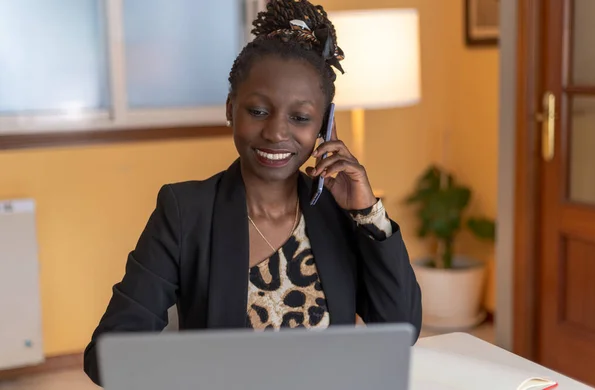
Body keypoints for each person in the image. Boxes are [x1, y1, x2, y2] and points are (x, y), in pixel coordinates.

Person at [83, 0, 422, 385]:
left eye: (300, 118)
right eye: (259, 111)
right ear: (231, 109)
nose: (277, 132)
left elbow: (402, 327)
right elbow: (107, 354)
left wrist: (367, 213)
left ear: (325, 126)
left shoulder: (338, 213)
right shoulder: (185, 211)